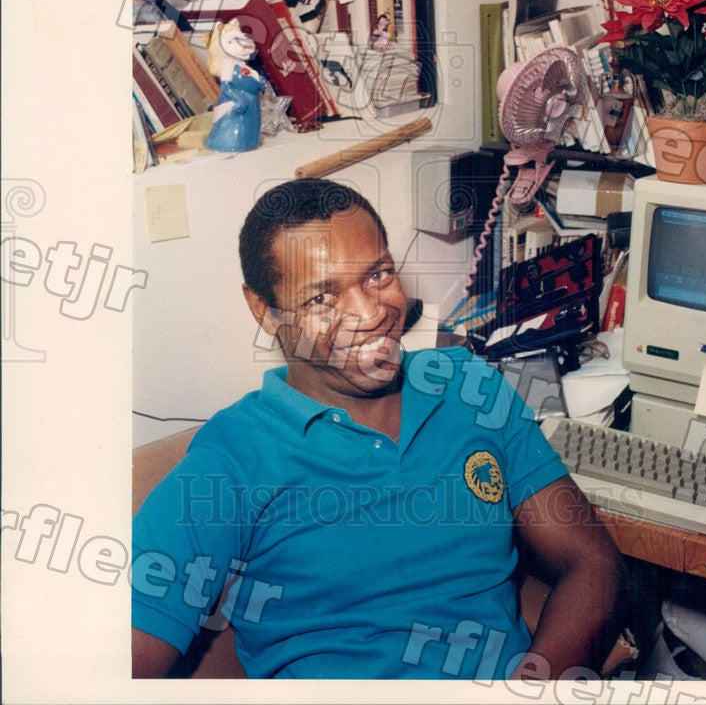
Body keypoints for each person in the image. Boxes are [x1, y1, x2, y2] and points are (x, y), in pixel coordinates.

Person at [132, 178, 624, 680]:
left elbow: (590, 559)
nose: (370, 315)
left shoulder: (472, 389)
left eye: (379, 275)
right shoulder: (232, 460)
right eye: (322, 298)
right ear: (264, 309)